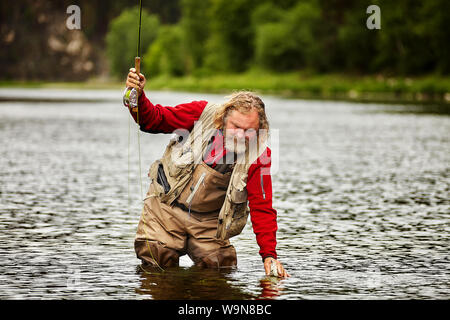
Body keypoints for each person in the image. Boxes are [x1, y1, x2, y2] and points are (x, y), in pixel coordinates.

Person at [125, 68, 290, 278]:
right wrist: (137, 97)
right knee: (157, 259)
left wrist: (269, 255)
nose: (240, 135)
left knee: (221, 268)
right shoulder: (200, 113)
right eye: (236, 126)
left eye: (249, 131)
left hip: (209, 221)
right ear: (223, 119)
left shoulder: (260, 156)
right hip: (165, 208)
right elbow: (153, 120)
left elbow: (262, 208)